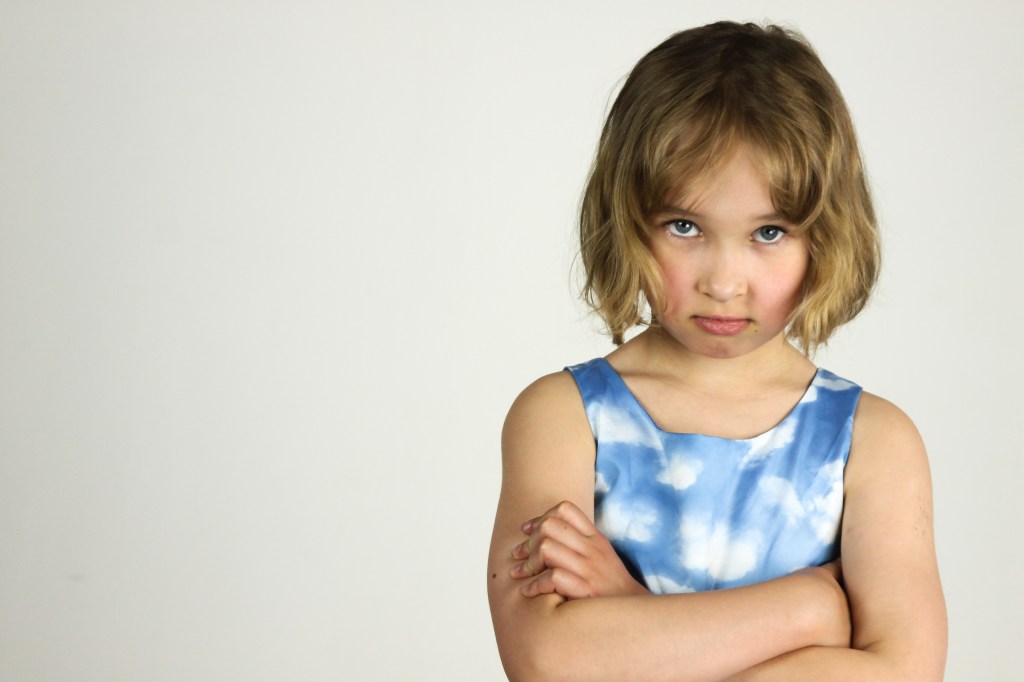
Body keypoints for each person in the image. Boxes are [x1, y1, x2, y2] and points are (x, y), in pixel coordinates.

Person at [486, 21, 947, 681]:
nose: (724, 282)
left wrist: (632, 614)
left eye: (769, 231)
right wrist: (809, 610)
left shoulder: (872, 441)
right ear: (626, 220)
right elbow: (550, 660)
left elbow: (905, 674)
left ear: (826, 234)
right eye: (684, 226)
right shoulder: (562, 418)